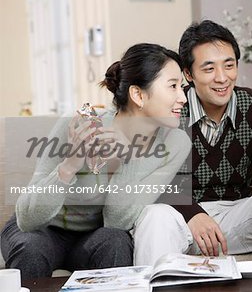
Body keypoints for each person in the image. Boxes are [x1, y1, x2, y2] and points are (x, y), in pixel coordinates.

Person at [1, 43, 190, 280]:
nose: (183, 97)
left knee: (116, 242)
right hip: (41, 230)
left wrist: (128, 157)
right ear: (138, 95)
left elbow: (117, 220)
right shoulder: (81, 126)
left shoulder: (176, 143)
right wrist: (70, 164)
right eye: (173, 86)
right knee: (32, 249)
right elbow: (27, 218)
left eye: (182, 87)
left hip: (94, 236)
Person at [133, 20, 252, 266]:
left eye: (229, 65)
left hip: (237, 216)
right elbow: (148, 180)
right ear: (188, 74)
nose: (222, 78)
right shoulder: (170, 108)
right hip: (179, 217)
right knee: (153, 216)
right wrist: (192, 214)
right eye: (209, 68)